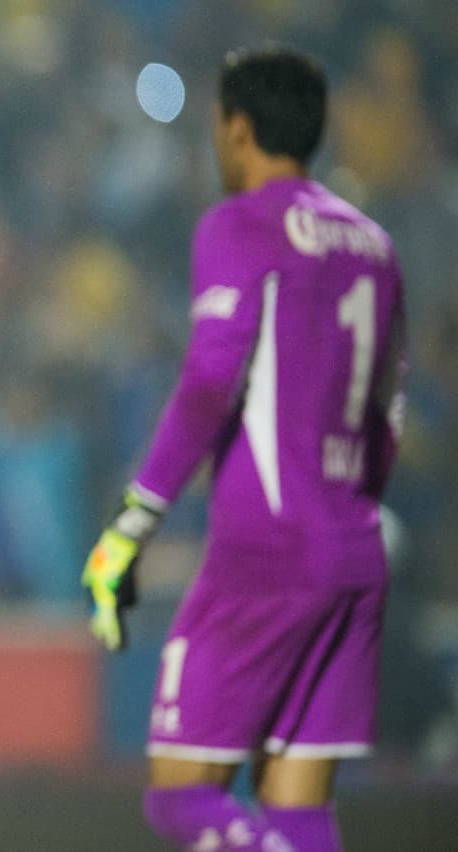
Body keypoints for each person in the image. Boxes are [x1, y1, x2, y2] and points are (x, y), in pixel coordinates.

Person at [81, 46, 405, 851]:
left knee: (183, 799)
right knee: (298, 814)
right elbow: (385, 418)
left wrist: (131, 526)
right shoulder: (373, 245)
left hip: (267, 552)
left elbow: (208, 382)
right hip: (352, 550)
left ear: (237, 127)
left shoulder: (240, 225)